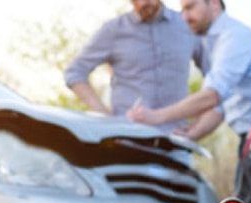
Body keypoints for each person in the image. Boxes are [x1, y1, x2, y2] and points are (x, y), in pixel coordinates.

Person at [127, 0, 251, 156]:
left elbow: (211, 96)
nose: (185, 17)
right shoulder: (214, 42)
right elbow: (221, 106)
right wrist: (193, 132)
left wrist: (155, 116)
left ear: (214, 3)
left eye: (190, 7)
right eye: (183, 10)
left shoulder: (235, 38)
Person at [64, 0, 204, 133]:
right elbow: (75, 72)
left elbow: (216, 80)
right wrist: (106, 118)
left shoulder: (187, 25)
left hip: (176, 141)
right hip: (127, 140)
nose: (142, 3)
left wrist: (198, 127)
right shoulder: (113, 30)